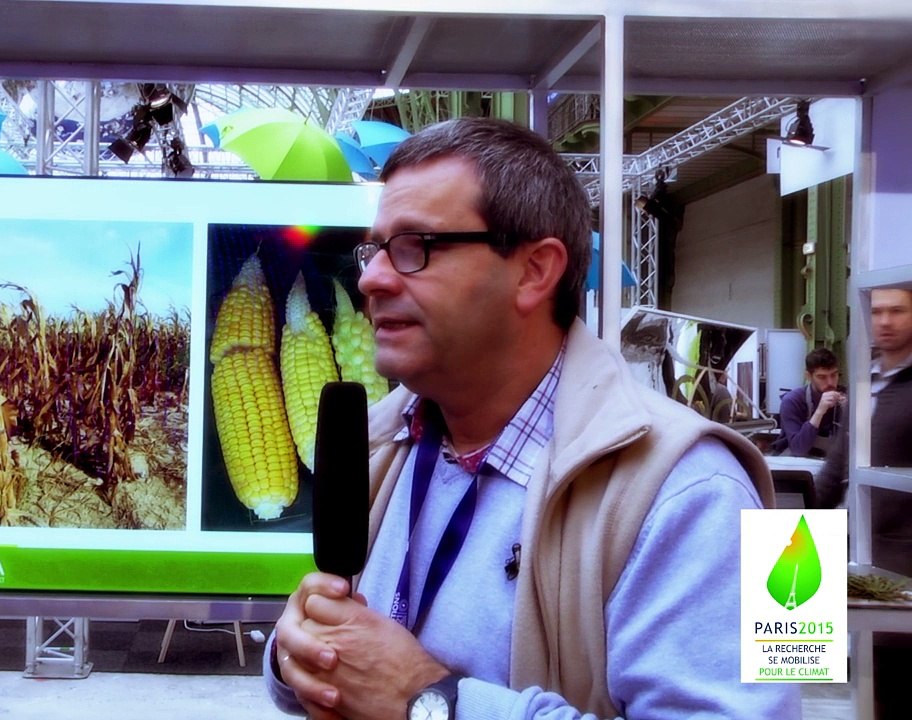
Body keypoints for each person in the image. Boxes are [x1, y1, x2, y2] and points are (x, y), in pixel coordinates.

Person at [265, 117, 798, 720]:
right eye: (375, 250)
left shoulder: (697, 493)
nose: (371, 278)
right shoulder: (386, 442)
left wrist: (431, 702)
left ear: (534, 271)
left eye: (414, 247)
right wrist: (298, 656)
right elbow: (357, 656)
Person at [773, 347, 846, 457]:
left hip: (831, 460)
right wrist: (819, 412)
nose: (830, 383)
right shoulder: (792, 401)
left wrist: (850, 413)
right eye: (822, 377)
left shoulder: (848, 396)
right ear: (808, 376)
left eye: (834, 375)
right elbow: (798, 449)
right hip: (795, 462)